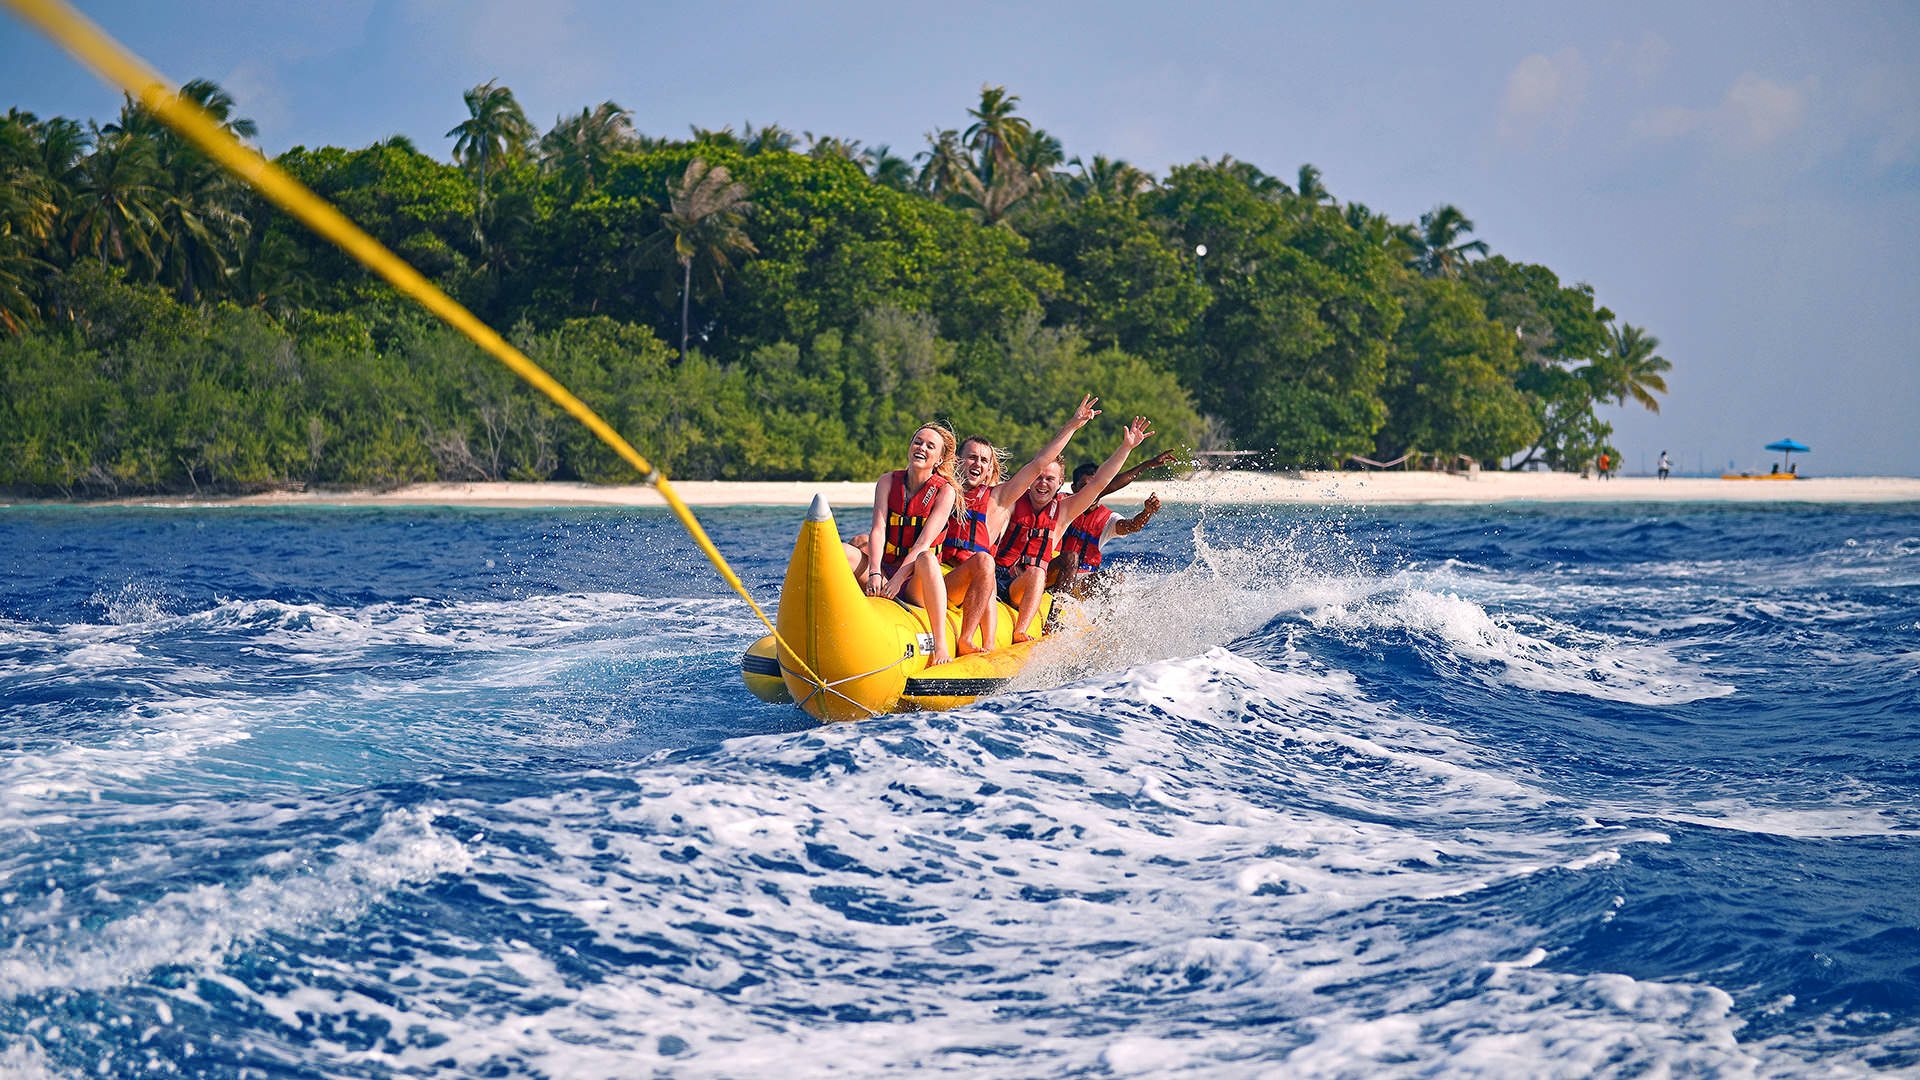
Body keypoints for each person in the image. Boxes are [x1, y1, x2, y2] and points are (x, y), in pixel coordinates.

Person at [941, 395, 1105, 654]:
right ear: (957, 460)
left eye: (984, 461)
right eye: (971, 457)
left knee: (993, 566)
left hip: (988, 577)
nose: (977, 464)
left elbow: (1040, 463)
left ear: (989, 470)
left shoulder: (998, 498)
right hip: (944, 574)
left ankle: (1002, 636)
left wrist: (1072, 426)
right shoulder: (940, 491)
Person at [995, 415, 1156, 643]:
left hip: (1038, 579)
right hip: (1006, 575)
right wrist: (1071, 426)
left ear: (1059, 483)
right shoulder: (1015, 500)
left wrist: (1127, 448)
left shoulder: (1065, 511)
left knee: (1070, 563)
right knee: (1059, 561)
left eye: (1050, 479)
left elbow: (1102, 483)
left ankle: (1060, 621)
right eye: (1038, 477)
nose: (1042, 483)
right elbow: (1038, 463)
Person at [844, 423, 959, 666]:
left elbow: (923, 543)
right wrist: (875, 571)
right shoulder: (887, 481)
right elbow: (879, 528)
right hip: (885, 573)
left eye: (930, 446)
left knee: (926, 556)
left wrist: (898, 580)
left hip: (916, 581)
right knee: (844, 551)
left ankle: (940, 645)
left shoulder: (945, 492)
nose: (921, 448)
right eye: (917, 442)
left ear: (939, 459)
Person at [1047, 451, 1177, 597]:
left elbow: (1133, 526)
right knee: (1070, 558)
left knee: (1116, 579)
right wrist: (1146, 464)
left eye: (1094, 487)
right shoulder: (1062, 503)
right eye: (1083, 487)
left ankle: (1103, 620)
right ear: (1074, 489)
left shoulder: (1107, 519)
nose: (1089, 492)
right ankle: (1055, 614)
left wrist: (1147, 512)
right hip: (1053, 571)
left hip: (1080, 582)